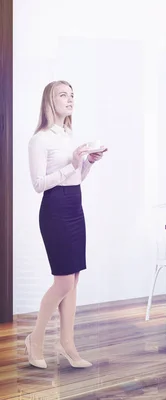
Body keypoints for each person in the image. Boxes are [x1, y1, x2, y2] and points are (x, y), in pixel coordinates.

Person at [25, 80, 107, 369]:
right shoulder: (40, 139)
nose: (70, 99)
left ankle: (67, 343)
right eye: (63, 95)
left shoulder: (69, 135)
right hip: (55, 210)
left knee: (73, 281)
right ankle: (35, 340)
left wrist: (87, 163)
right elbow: (38, 185)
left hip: (75, 206)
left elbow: (75, 177)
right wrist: (73, 163)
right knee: (62, 281)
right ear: (50, 100)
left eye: (72, 95)